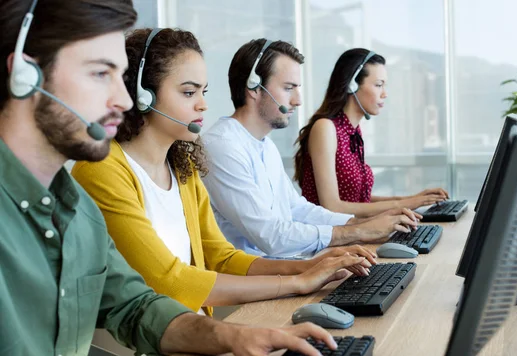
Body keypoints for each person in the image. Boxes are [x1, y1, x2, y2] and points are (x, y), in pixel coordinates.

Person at [0, 2, 350, 356]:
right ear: (24, 75)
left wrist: (232, 337)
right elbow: (168, 281)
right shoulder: (89, 183)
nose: (125, 99)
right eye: (100, 73)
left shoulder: (76, 211)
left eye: (122, 77)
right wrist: (298, 280)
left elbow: (134, 306)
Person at [72, 28, 375, 315]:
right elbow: (170, 280)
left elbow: (221, 256)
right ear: (143, 95)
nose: (204, 105)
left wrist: (311, 265)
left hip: (191, 324)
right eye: (189, 93)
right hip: (139, 353)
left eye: (203, 92)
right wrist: (296, 282)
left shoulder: (182, 167)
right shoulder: (102, 170)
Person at [201, 39, 420, 259]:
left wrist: (362, 224)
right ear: (254, 87)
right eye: (288, 88)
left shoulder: (265, 145)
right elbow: (271, 237)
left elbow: (297, 209)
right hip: (258, 280)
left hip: (289, 267)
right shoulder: (222, 146)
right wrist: (358, 231)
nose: (298, 100)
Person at [293, 48, 449, 218]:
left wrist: (414, 199)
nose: (385, 93)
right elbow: (332, 207)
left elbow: (358, 201)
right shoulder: (325, 128)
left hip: (354, 233)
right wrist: (404, 204)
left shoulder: (353, 132)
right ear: (352, 85)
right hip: (329, 239)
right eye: (378, 85)